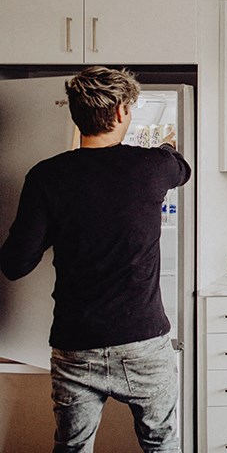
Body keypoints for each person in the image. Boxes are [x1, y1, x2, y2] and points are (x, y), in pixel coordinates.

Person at [0, 66, 191, 453]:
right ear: (121, 113)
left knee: (72, 447)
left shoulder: (46, 177)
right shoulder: (152, 166)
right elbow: (181, 167)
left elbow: (15, 264)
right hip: (143, 342)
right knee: (161, 444)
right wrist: (165, 148)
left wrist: (59, 225)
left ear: (75, 113)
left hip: (77, 344)